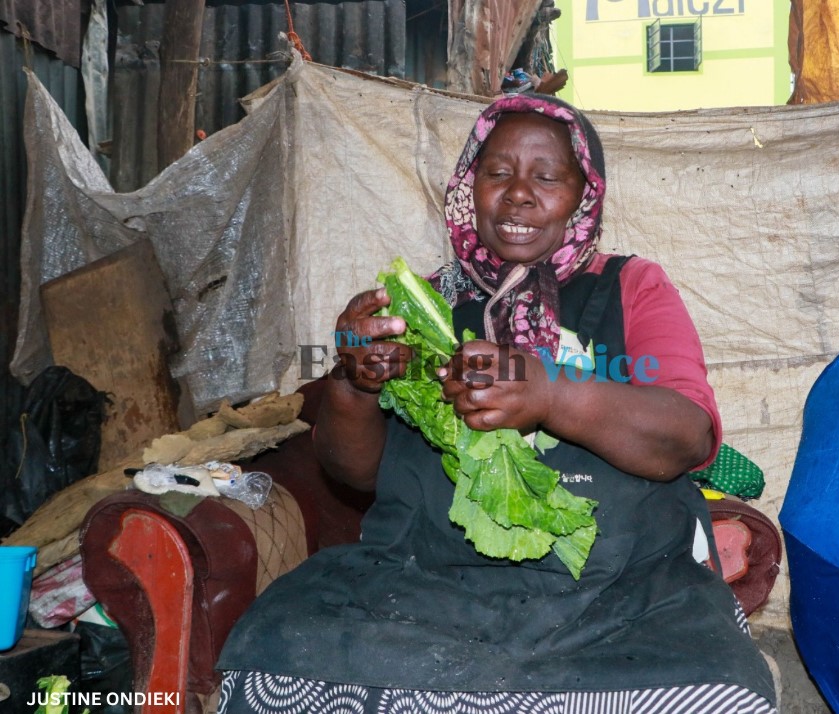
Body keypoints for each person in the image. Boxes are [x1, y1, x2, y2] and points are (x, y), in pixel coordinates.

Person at [216, 94, 777, 714]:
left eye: (547, 176)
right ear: (469, 186)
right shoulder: (421, 304)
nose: (518, 195)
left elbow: (687, 437)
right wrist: (355, 385)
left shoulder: (632, 286)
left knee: (721, 696)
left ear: (583, 195)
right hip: (425, 586)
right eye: (498, 172)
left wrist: (550, 393)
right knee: (274, 660)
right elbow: (357, 473)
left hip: (619, 594)